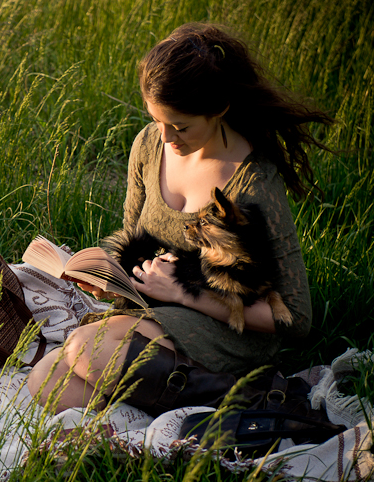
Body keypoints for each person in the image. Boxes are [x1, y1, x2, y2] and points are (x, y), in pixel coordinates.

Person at [26, 22, 333, 414]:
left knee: (88, 347)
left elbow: (295, 318)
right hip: (153, 313)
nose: (167, 137)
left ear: (219, 109)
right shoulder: (149, 146)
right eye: (158, 120)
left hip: (225, 330)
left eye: (182, 126)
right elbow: (133, 239)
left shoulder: (253, 184)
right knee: (46, 380)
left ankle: (235, 395)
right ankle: (163, 415)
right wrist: (110, 280)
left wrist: (183, 292)